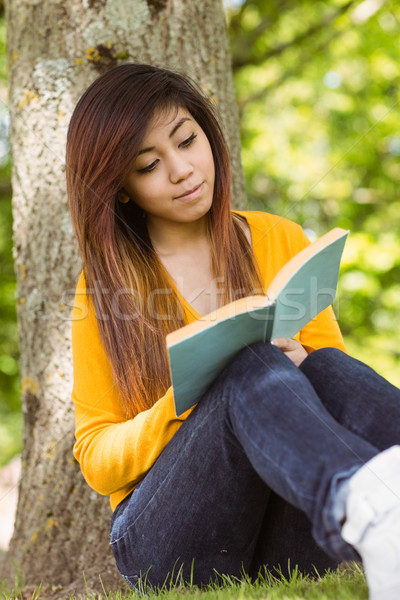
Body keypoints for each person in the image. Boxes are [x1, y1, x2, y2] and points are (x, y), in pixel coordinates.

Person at [66, 63, 400, 600]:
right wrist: (184, 402)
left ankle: (383, 513)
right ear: (121, 189)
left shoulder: (276, 237)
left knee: (323, 364)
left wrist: (302, 363)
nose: (182, 170)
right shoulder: (104, 288)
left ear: (207, 133)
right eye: (149, 165)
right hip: (169, 542)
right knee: (249, 363)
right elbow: (96, 458)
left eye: (187, 141)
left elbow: (340, 394)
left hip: (285, 529)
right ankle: (364, 511)